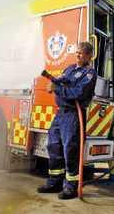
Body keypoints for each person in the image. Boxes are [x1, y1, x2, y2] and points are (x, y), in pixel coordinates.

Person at [37, 42, 97, 200]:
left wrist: (56, 88)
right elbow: (61, 80)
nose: (78, 55)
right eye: (77, 52)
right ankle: (54, 182)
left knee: (70, 149)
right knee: (53, 146)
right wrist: (53, 81)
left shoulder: (89, 73)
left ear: (89, 56)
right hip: (60, 114)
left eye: (82, 53)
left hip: (73, 115)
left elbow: (78, 93)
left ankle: (71, 186)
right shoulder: (70, 69)